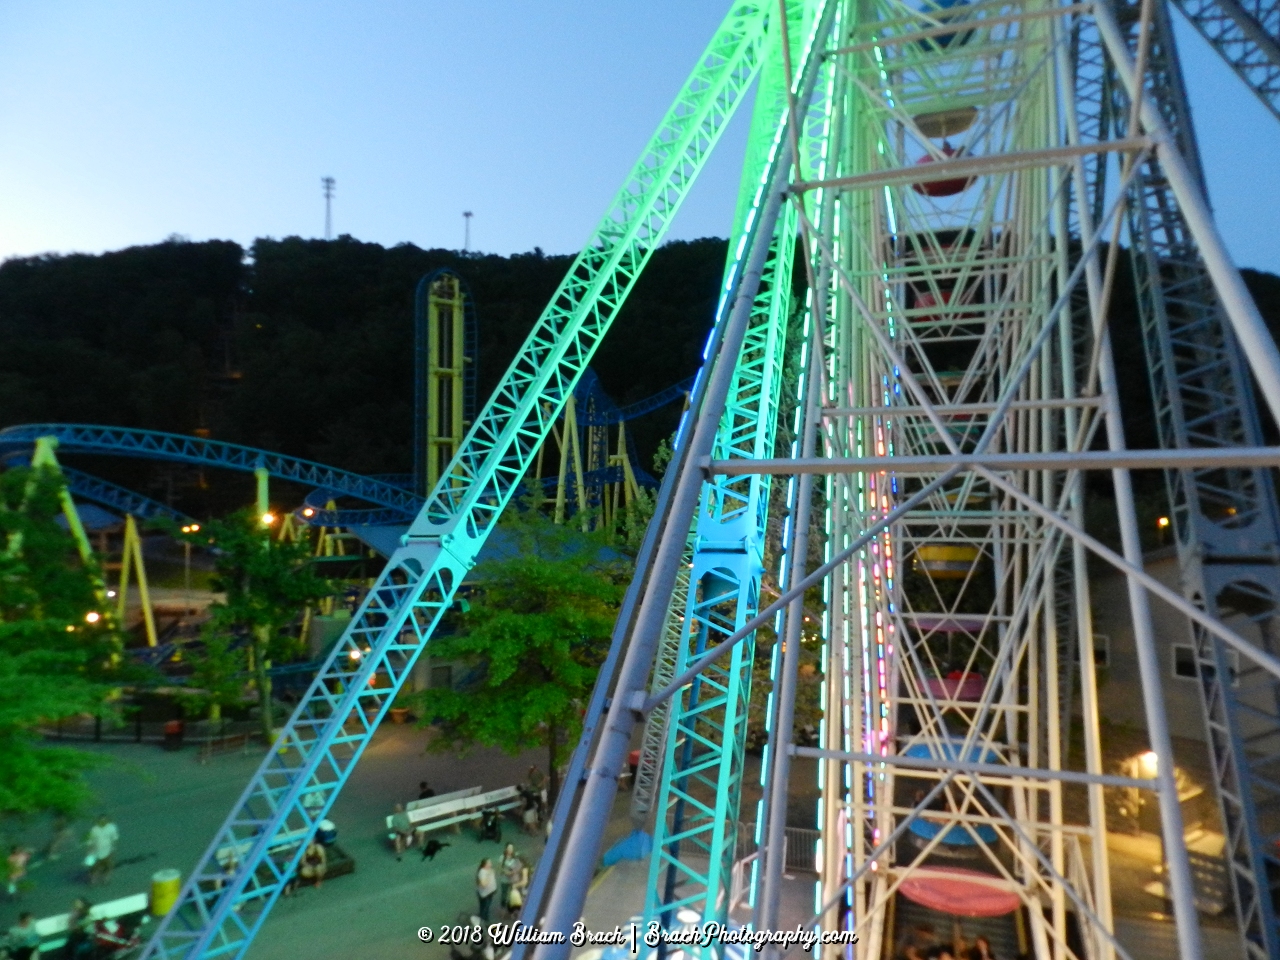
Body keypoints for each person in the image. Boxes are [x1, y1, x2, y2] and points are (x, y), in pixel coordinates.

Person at [85, 815, 119, 886]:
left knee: (108, 865)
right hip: (96, 851)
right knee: (95, 866)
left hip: (108, 850)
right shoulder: (94, 830)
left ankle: (106, 879)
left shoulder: (111, 828)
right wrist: (89, 851)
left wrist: (113, 849)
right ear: (98, 821)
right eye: (101, 821)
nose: (103, 822)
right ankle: (93, 879)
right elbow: (90, 841)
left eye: (104, 821)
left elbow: (114, 839)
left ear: (107, 821)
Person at [498, 844, 522, 913]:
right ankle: (503, 909)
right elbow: (500, 867)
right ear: (506, 849)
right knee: (504, 895)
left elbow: (519, 866)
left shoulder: (516, 858)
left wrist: (514, 872)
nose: (510, 850)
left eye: (511, 848)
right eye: (508, 848)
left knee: (513, 895)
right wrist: (506, 872)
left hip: (513, 880)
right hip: (504, 880)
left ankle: (512, 909)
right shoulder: (502, 857)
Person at [475, 858, 497, 923]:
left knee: (485, 907)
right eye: (489, 863)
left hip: (490, 892)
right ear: (485, 865)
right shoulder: (482, 872)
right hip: (485, 894)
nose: (491, 864)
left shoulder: (489, 870)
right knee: (485, 908)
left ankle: (484, 919)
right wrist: (489, 875)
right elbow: (483, 884)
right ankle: (483, 921)